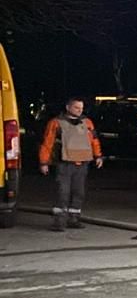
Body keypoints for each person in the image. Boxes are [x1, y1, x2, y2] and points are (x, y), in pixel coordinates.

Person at [38, 97, 104, 231]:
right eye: (76, 108)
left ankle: (74, 219)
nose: (80, 110)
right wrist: (44, 162)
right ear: (68, 107)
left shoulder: (87, 122)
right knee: (62, 192)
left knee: (79, 192)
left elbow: (94, 140)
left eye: (81, 108)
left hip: (83, 163)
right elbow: (47, 143)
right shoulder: (56, 123)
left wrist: (98, 156)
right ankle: (59, 221)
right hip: (64, 164)